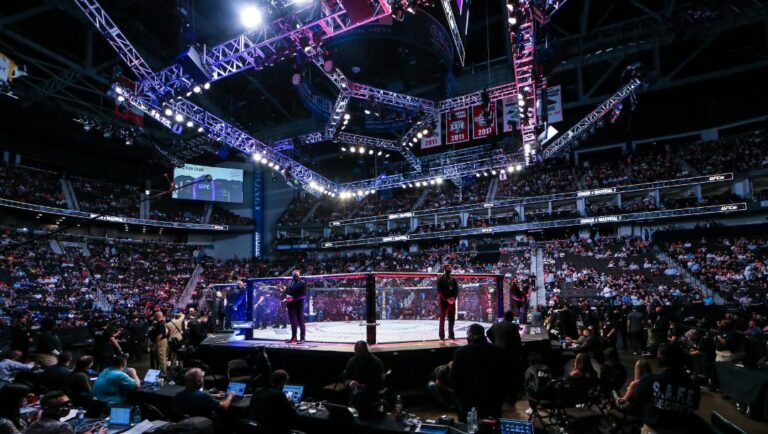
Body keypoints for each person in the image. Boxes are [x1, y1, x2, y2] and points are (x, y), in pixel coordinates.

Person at [630, 344, 702, 433]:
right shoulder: (694, 386)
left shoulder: (649, 380)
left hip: (654, 430)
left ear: (661, 359)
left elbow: (636, 401)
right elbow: (693, 408)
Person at [450, 324, 509, 421]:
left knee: (467, 426)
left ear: (470, 335)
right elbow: (506, 374)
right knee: (492, 425)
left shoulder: (460, 353)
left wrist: (459, 397)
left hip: (468, 399)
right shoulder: (499, 351)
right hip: (493, 397)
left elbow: (453, 378)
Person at [341, 341, 385, 418]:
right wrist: (350, 382)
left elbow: (381, 383)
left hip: (371, 394)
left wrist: (365, 386)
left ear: (366, 351)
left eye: (361, 352)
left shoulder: (376, 363)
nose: (359, 354)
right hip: (355, 395)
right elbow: (345, 379)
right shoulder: (352, 361)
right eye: (357, 352)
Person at [249, 370, 298, 434]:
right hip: (270, 430)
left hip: (254, 428)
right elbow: (293, 413)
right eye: (285, 383)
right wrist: (291, 403)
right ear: (282, 382)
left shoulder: (258, 390)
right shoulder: (279, 394)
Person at [487, 310, 523, 398]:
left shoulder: (496, 325)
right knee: (511, 375)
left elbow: (488, 333)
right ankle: (511, 395)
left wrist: (494, 342)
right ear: (511, 317)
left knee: (500, 374)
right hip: (510, 354)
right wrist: (519, 354)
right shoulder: (513, 326)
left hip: (498, 353)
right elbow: (517, 341)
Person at [436, 264, 459, 340]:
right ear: (444, 269)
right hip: (444, 301)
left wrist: (454, 298)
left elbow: (456, 290)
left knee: (452, 319)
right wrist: (446, 299)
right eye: (448, 268)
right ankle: (442, 336)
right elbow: (439, 291)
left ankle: (451, 335)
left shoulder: (453, 279)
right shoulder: (440, 279)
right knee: (442, 319)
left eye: (450, 267)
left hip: (452, 301)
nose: (450, 269)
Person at [285, 270, 307, 344]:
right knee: (292, 322)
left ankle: (302, 338)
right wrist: (286, 298)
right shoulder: (290, 283)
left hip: (298, 304)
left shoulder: (302, 283)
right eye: (294, 275)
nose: (295, 276)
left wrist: (293, 298)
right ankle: (293, 337)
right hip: (290, 304)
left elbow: (303, 295)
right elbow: (287, 293)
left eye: (297, 275)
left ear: (299, 275)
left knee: (300, 321)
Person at [148, 311, 169, 376]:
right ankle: (160, 371)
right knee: (159, 357)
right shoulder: (159, 323)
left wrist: (154, 342)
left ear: (157, 316)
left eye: (155, 315)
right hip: (159, 341)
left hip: (160, 341)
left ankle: (163, 373)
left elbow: (160, 335)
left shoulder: (161, 324)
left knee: (161, 357)